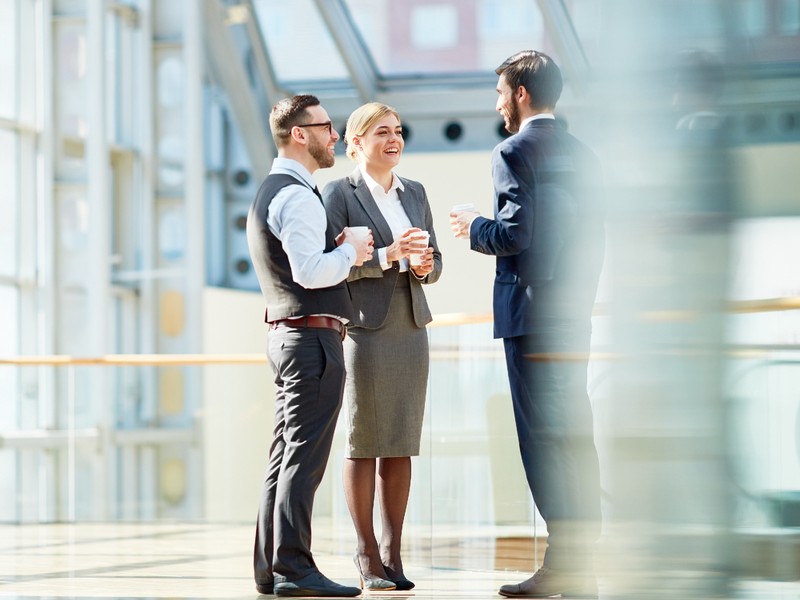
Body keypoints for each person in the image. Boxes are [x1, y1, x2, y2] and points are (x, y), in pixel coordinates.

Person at [450, 51, 604, 598]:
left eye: (499, 92)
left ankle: (564, 561)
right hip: (571, 316)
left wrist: (473, 226)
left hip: (531, 319)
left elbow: (515, 236)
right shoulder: (585, 155)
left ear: (520, 94)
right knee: (575, 436)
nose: (497, 103)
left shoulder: (513, 152)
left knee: (542, 440)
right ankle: (581, 558)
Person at [247, 94, 373, 598]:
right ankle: (294, 569)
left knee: (284, 454)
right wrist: (348, 250)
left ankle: (271, 567)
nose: (335, 136)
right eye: (326, 127)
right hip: (311, 340)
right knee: (303, 457)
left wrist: (336, 247)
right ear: (300, 134)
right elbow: (309, 271)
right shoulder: (298, 196)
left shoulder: (272, 190)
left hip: (289, 336)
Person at [321, 102, 442, 592]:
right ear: (355, 144)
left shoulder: (415, 193)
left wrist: (420, 265)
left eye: (397, 131)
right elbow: (331, 265)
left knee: (400, 442)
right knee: (363, 441)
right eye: (380, 133)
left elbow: (434, 267)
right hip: (366, 331)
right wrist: (389, 258)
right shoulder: (339, 194)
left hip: (411, 328)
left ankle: (393, 552)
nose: (393, 140)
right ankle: (366, 551)